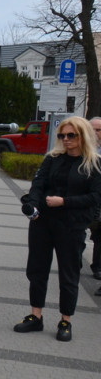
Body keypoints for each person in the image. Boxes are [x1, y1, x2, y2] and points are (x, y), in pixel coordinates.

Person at [14, 116, 101, 342]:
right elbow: (38, 184)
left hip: (71, 225)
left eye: (71, 135)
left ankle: (66, 320)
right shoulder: (52, 158)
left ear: (83, 136)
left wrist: (65, 201)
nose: (65, 139)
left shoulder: (94, 163)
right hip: (43, 222)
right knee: (37, 269)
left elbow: (95, 197)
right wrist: (32, 204)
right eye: (62, 135)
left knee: (69, 274)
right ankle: (36, 316)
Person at [87, 117, 101, 282]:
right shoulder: (79, 147)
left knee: (99, 234)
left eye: (98, 130)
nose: (96, 133)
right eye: (93, 130)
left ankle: (97, 266)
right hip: (81, 198)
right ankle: (74, 262)